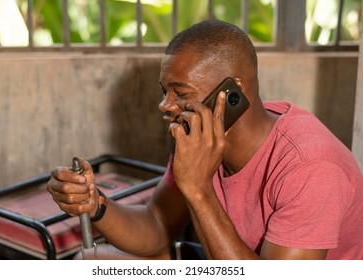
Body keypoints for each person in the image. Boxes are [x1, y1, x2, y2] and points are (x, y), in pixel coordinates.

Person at [46, 19, 363, 260]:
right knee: (89, 261)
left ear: (232, 90)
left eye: (181, 93)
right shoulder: (200, 136)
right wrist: (96, 205)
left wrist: (197, 189)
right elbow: (157, 226)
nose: (165, 106)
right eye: (164, 91)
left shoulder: (311, 167)